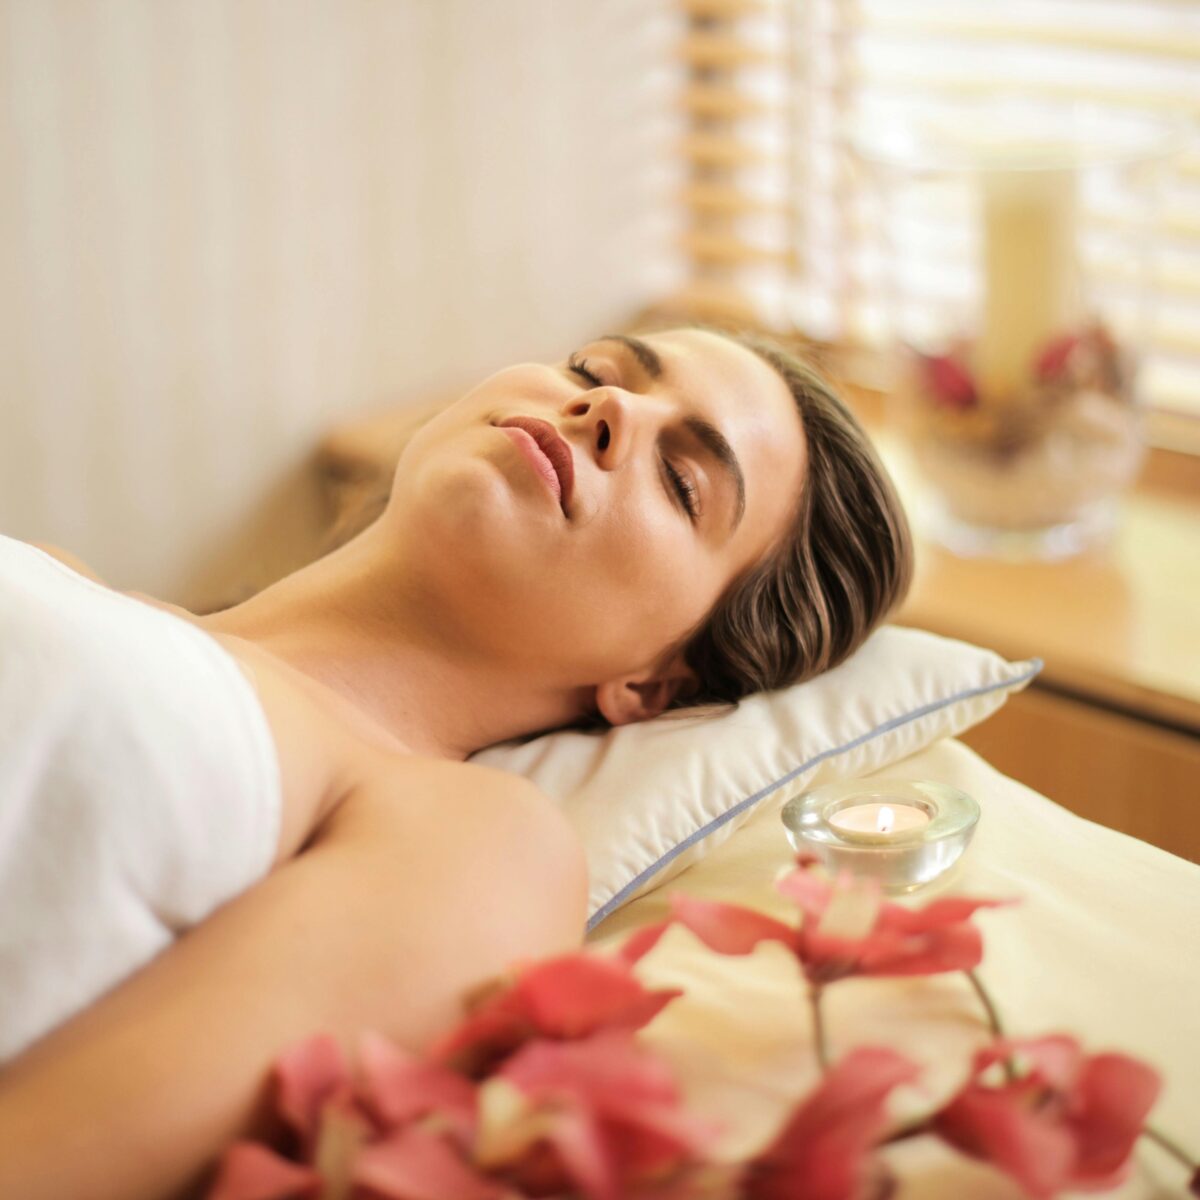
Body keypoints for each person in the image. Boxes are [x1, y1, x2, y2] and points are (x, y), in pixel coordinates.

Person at [0, 323, 913, 1199]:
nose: (609, 414)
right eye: (594, 373)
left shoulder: (475, 842)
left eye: (682, 482)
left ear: (653, 686)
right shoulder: (57, 572)